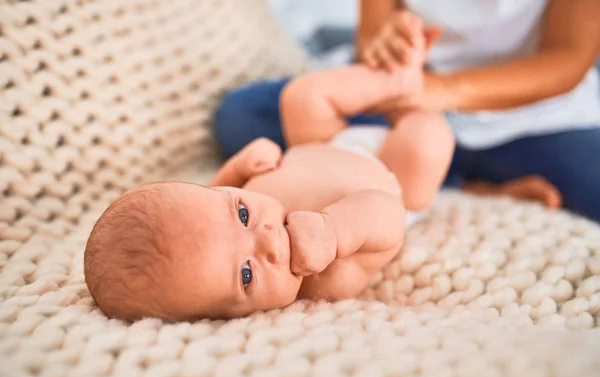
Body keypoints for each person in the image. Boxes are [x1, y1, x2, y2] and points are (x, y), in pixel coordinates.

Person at [84, 55, 559, 322]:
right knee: (429, 139)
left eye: (243, 214)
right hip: (392, 176)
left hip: (322, 145)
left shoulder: (221, 205)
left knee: (302, 96)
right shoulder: (324, 278)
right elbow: (386, 218)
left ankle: (400, 78)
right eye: (246, 275)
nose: (268, 239)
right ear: (225, 316)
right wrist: (335, 230)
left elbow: (219, 190)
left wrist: (238, 167)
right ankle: (446, 151)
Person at [213, 0, 600, 222]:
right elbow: (371, 38)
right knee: (244, 117)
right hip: (406, 100)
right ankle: (464, 184)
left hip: (534, 111)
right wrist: (387, 43)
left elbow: (567, 57)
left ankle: (447, 177)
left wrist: (446, 90)